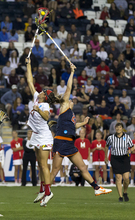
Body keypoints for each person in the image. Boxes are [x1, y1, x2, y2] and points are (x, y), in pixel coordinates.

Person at [49, 62, 111, 206]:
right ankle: (45, 191)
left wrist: (82, 124)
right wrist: (72, 72)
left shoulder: (70, 114)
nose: (71, 100)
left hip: (69, 143)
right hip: (61, 141)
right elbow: (69, 87)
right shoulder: (64, 106)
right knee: (55, 170)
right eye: (70, 99)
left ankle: (96, 188)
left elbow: (72, 126)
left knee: (83, 167)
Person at [26, 57, 60, 206]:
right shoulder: (36, 98)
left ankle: (48, 192)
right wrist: (28, 64)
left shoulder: (44, 105)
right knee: (40, 164)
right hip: (36, 135)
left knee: (45, 165)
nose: (39, 91)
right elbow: (29, 82)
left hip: (45, 137)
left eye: (43, 92)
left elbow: (46, 117)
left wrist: (38, 109)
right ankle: (42, 190)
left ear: (45, 96)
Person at [105, 123, 135, 202]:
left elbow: (132, 146)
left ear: (122, 129)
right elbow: (106, 146)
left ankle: (125, 192)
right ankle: (120, 197)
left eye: (120, 127)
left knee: (126, 179)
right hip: (115, 158)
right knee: (118, 178)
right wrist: (106, 156)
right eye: (117, 127)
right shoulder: (111, 138)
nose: (118, 129)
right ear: (115, 128)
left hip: (125, 158)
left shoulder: (127, 137)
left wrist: (130, 150)